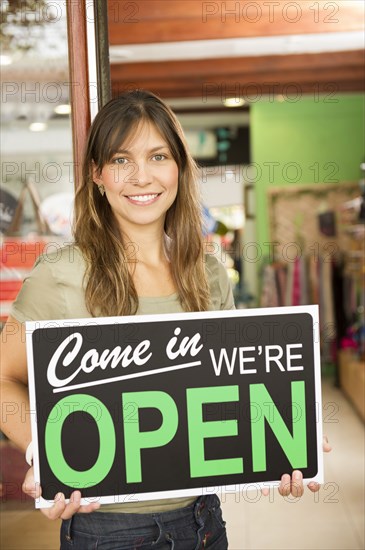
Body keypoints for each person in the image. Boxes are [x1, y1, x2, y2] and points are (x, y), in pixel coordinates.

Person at [0, 90, 330, 549]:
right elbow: (4, 381)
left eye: (158, 155)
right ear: (97, 174)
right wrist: (44, 453)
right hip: (106, 532)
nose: (141, 176)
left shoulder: (209, 273)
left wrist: (289, 444)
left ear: (178, 168)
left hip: (204, 522)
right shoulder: (60, 274)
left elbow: (231, 388)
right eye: (120, 159)